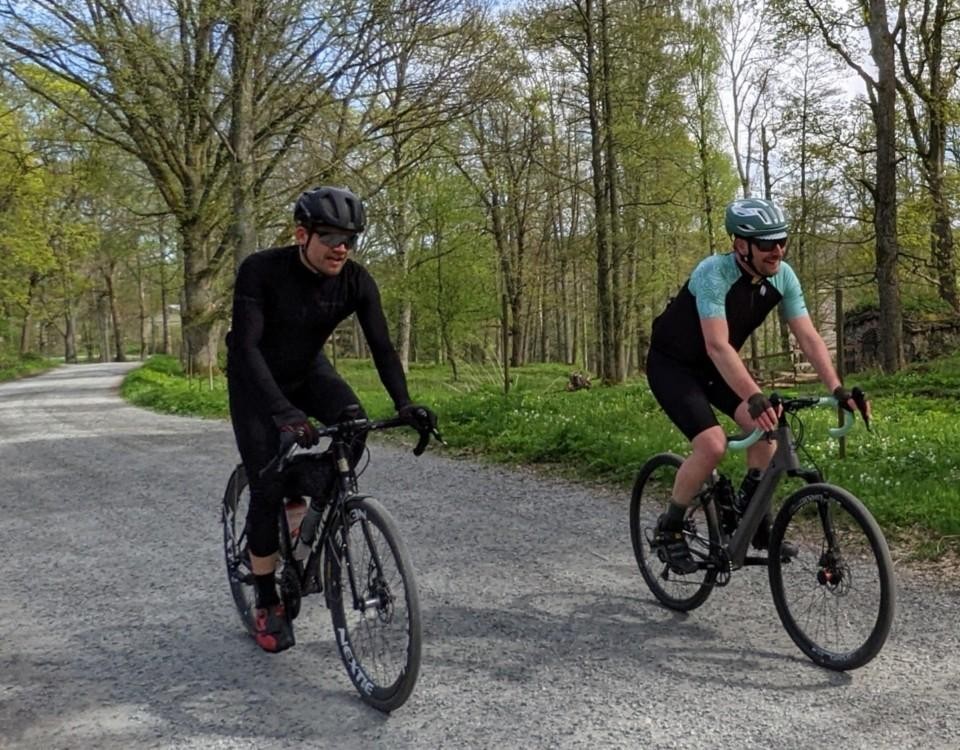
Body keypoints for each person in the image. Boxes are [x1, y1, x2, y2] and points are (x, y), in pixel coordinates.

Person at [226, 186, 437, 652]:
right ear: (302, 235)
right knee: (265, 486)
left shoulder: (356, 281)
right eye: (331, 237)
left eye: (351, 239)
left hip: (307, 370)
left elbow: (382, 347)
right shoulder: (260, 271)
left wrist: (404, 403)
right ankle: (266, 599)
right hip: (256, 379)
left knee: (354, 425)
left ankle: (299, 507)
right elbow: (245, 348)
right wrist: (282, 412)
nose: (342, 247)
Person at [645, 197, 869, 574]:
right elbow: (716, 344)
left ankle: (751, 518)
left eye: (782, 241)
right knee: (712, 445)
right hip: (674, 366)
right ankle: (669, 529)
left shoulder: (783, 276)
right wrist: (753, 395)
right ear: (740, 245)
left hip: (718, 366)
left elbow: (809, 338)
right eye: (767, 244)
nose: (777, 250)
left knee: (766, 431)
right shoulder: (713, 274)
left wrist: (836, 388)